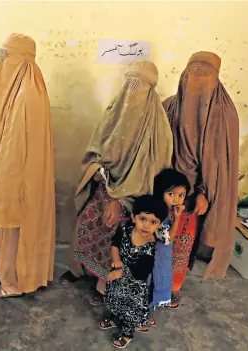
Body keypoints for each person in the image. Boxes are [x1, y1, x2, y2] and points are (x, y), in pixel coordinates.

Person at [63, 60, 173, 306]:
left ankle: (105, 286)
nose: (132, 91)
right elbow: (94, 153)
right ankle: (80, 270)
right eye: (129, 83)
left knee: (117, 237)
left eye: (139, 85)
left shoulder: (158, 128)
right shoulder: (114, 113)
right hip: (104, 189)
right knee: (86, 223)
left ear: (150, 90)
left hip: (134, 203)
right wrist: (97, 173)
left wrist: (119, 200)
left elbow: (154, 172)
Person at [0, 33, 56, 298]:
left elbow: (13, 152)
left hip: (17, 180)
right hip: (17, 178)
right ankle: (13, 272)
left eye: (6, 56)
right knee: (14, 232)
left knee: (16, 228)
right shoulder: (23, 88)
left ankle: (14, 283)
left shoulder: (25, 95)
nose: (1, 62)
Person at [163, 52, 239, 308]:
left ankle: (172, 286)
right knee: (156, 237)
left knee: (182, 243)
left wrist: (205, 191)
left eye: (205, 74)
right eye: (192, 72)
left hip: (197, 195)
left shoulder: (225, 114)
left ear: (217, 78)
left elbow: (221, 161)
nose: (197, 80)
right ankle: (150, 281)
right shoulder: (169, 106)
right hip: (163, 188)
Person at [99, 195, 167, 349]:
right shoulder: (125, 229)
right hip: (117, 279)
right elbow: (115, 244)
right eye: (143, 219)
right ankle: (116, 318)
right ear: (133, 217)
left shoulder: (150, 246)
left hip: (134, 287)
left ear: (159, 225)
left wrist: (121, 272)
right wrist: (116, 259)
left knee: (131, 310)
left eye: (153, 222)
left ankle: (127, 332)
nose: (147, 226)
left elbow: (142, 271)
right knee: (114, 299)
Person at [140, 169, 190, 331]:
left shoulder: (168, 212)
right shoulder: (158, 215)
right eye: (171, 194)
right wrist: (177, 219)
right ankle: (140, 317)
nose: (176, 199)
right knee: (145, 286)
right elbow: (168, 238)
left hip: (160, 258)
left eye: (181, 195)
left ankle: (143, 312)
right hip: (150, 258)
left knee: (153, 283)